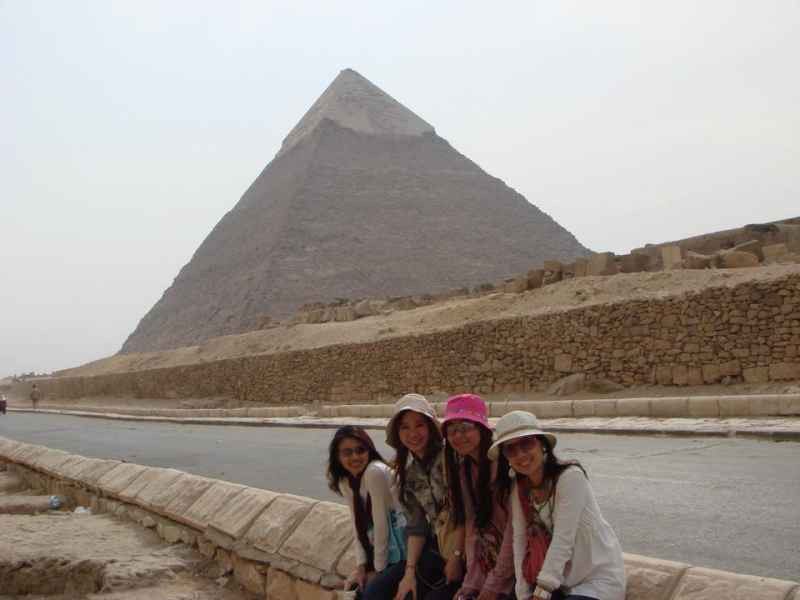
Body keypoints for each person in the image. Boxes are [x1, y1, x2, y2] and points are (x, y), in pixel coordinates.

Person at [489, 411, 626, 600]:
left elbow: (563, 539)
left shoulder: (570, 477)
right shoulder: (519, 488)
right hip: (561, 583)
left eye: (526, 443)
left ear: (542, 445)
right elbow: (519, 540)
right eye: (510, 449)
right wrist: (523, 593)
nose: (520, 454)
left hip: (596, 582)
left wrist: (542, 591)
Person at [363, 393, 465, 600]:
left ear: (430, 427)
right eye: (405, 427)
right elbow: (417, 525)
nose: (413, 434)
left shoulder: (453, 459)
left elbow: (468, 512)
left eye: (419, 425)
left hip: (464, 550)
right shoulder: (410, 473)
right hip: (438, 548)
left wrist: (456, 556)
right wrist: (409, 573)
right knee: (375, 591)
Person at [441, 394, 514, 600]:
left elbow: (514, 529)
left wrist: (493, 585)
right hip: (489, 561)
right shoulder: (464, 470)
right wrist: (471, 582)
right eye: (452, 431)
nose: (458, 436)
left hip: (516, 563)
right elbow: (472, 525)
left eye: (465, 428)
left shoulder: (505, 465)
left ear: (482, 429)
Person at [327, 425, 407, 596]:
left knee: (371, 593)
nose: (355, 457)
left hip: (404, 550)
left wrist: (378, 571)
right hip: (387, 552)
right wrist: (361, 565)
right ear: (337, 456)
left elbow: (381, 525)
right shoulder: (346, 481)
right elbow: (357, 525)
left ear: (369, 450)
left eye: (360, 450)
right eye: (347, 453)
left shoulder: (374, 472)